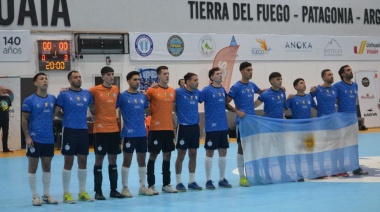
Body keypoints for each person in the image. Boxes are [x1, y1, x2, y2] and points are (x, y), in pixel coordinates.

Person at [55, 71, 94, 203]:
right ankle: (66, 194)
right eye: (75, 77)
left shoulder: (87, 94)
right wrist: (66, 118)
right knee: (69, 162)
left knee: (83, 161)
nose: (78, 79)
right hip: (69, 130)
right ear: (69, 80)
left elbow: (94, 110)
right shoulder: (64, 94)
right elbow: (56, 113)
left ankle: (82, 192)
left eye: (79, 77)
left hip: (83, 130)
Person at [21, 73, 58, 206]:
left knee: (47, 167)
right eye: (41, 79)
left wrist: (64, 91)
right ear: (35, 83)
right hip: (34, 139)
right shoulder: (29, 100)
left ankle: (46, 195)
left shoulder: (53, 98)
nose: (45, 81)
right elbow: (24, 119)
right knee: (33, 167)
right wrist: (27, 136)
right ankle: (35, 196)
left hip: (48, 138)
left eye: (46, 78)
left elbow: (56, 113)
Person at [225, 62, 265, 187]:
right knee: (241, 147)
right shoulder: (236, 87)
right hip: (241, 122)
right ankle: (242, 177)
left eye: (251, 70)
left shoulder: (252, 85)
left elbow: (262, 92)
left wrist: (277, 88)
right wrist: (237, 111)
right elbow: (226, 103)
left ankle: (255, 174)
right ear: (242, 71)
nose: (251, 72)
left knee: (254, 147)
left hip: (252, 121)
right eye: (248, 70)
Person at [89, 66, 124, 200]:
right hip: (100, 130)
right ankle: (98, 191)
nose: (111, 77)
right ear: (103, 76)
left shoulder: (116, 89)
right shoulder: (94, 89)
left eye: (112, 74)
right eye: (108, 74)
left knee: (113, 160)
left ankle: (113, 190)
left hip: (114, 130)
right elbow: (83, 96)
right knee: (99, 160)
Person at [117, 71, 154, 196]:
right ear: (128, 81)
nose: (137, 82)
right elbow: (112, 108)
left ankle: (142, 187)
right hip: (128, 134)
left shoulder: (142, 97)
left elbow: (149, 112)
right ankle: (125, 188)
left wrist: (150, 95)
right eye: (134, 80)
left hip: (142, 134)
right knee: (127, 161)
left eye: (138, 80)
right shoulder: (122, 96)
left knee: (142, 161)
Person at [146, 66, 177, 194]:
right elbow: (144, 106)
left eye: (168, 73)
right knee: (153, 155)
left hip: (168, 128)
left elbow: (172, 107)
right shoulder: (151, 90)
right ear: (158, 75)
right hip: (156, 128)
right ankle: (151, 185)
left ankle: (166, 184)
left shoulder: (172, 91)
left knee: (167, 155)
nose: (167, 76)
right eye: (164, 73)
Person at [199, 67, 232, 189]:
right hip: (211, 127)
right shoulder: (206, 90)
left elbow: (226, 104)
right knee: (210, 152)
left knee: (223, 151)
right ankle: (208, 180)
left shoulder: (223, 90)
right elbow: (197, 98)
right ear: (212, 77)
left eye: (220, 73)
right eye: (217, 74)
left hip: (223, 125)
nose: (220, 75)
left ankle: (222, 179)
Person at [333, 65, 368, 176]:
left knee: (354, 144)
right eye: (348, 70)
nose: (351, 71)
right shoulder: (337, 86)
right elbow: (335, 100)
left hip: (353, 118)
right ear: (343, 74)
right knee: (342, 144)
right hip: (342, 118)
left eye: (351, 69)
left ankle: (355, 167)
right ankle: (341, 168)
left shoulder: (355, 85)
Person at [254, 72, 288, 182]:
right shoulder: (265, 94)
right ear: (271, 81)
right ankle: (267, 175)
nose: (280, 81)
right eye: (277, 79)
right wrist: (242, 108)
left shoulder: (283, 91)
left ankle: (284, 173)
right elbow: (254, 105)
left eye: (281, 79)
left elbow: (283, 106)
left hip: (280, 126)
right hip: (268, 127)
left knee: (281, 151)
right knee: (266, 151)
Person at [174, 72, 203, 192]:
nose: (198, 82)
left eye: (197, 80)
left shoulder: (198, 93)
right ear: (188, 82)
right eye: (195, 80)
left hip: (194, 127)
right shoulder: (178, 92)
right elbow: (170, 104)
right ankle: (179, 182)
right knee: (181, 155)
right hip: (183, 127)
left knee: (193, 154)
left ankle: (191, 181)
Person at [285, 78, 317, 181]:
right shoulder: (292, 98)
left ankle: (311, 172)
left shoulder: (309, 97)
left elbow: (315, 107)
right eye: (301, 83)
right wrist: (286, 98)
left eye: (304, 82)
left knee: (309, 151)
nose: (304, 84)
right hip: (297, 130)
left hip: (308, 130)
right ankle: (299, 174)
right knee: (297, 152)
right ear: (296, 87)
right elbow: (283, 107)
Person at [310, 69, 339, 178]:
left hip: (333, 121)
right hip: (321, 121)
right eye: (329, 75)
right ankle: (321, 170)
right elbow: (308, 98)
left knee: (334, 146)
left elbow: (337, 101)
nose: (331, 76)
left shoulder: (335, 89)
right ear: (323, 78)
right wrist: (315, 107)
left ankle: (334, 169)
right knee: (321, 146)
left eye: (332, 74)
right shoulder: (317, 89)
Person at [0, 85, 12, 152]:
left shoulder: (7, 97)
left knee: (5, 134)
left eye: (4, 89)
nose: (3, 91)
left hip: (5, 118)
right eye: (2, 90)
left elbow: (8, 106)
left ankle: (5, 148)